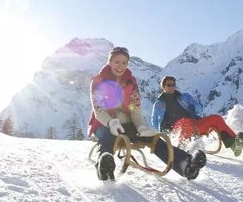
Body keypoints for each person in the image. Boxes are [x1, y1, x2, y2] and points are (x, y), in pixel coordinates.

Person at [88, 47, 206, 181]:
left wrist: (140, 127)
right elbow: (98, 109)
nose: (120, 66)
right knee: (107, 137)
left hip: (127, 123)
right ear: (109, 62)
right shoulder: (98, 81)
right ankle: (104, 166)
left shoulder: (130, 82)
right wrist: (111, 123)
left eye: (124, 62)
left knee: (153, 139)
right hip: (103, 123)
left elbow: (134, 107)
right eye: (117, 62)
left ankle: (185, 164)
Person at [151, 76, 243, 157]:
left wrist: (193, 105)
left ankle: (234, 145)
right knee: (185, 121)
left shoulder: (184, 97)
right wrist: (164, 130)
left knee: (216, 118)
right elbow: (154, 121)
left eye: (173, 85)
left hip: (194, 125)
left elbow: (199, 109)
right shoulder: (159, 103)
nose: (171, 87)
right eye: (168, 85)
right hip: (175, 129)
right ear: (163, 87)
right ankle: (182, 150)